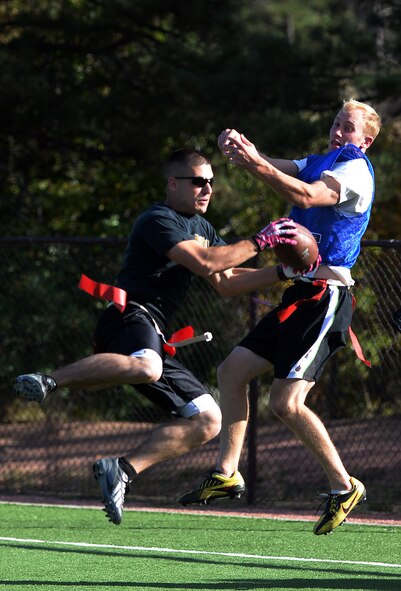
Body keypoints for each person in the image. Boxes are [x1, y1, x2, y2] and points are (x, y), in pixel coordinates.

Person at [13, 148, 299, 525]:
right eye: (199, 181)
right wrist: (260, 241)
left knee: (208, 419)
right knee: (148, 367)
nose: (207, 189)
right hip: (128, 314)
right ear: (173, 183)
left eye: (211, 182)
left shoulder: (204, 228)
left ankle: (122, 470)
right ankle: (49, 379)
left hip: (155, 331)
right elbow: (205, 263)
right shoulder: (157, 219)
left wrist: (284, 272)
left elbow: (226, 283)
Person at [178, 99, 382, 536]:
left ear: (366, 140)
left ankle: (343, 486)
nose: (337, 131)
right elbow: (280, 166)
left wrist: (255, 163)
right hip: (300, 293)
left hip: (327, 296)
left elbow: (305, 194)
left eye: (347, 127)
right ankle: (228, 472)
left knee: (286, 403)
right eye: (335, 122)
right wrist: (244, 151)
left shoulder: (355, 171)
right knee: (231, 371)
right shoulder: (322, 159)